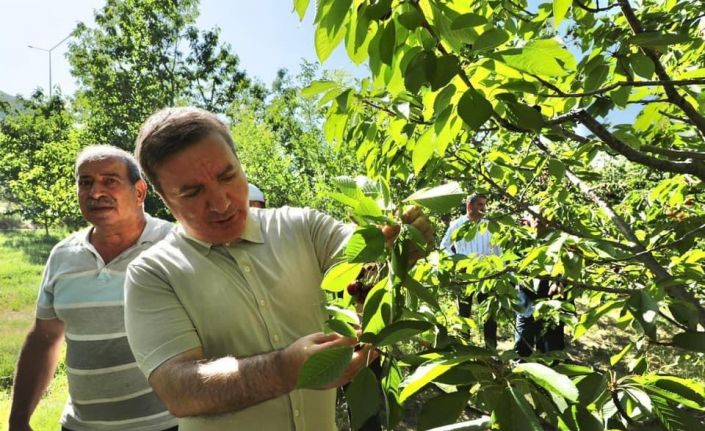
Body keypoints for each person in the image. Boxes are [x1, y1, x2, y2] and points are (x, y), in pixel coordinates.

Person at [124, 106, 434, 431]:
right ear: (163, 197)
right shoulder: (153, 273)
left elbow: (364, 267)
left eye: (227, 176)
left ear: (239, 163)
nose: (221, 203)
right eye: (192, 192)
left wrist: (399, 243)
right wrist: (286, 370)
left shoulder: (303, 228)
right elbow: (179, 390)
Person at [9, 146, 175, 431]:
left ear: (139, 192)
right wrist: (18, 421)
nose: (95, 192)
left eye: (110, 181)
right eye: (85, 182)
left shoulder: (176, 245)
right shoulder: (63, 255)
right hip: (80, 426)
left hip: (167, 424)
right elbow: (44, 340)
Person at [441, 193, 502, 349]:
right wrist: (457, 260)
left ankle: (491, 349)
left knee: (489, 313)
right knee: (464, 313)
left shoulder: (489, 224)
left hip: (487, 274)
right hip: (465, 274)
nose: (484, 208)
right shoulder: (457, 224)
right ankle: (464, 349)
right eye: (480, 205)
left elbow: (497, 248)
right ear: (469, 206)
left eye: (484, 204)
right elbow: (444, 246)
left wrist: (498, 269)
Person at [514, 211, 566, 357]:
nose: (539, 219)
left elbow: (567, 266)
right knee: (522, 347)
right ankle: (520, 377)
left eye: (543, 216)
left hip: (551, 301)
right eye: (534, 215)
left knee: (551, 349)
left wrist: (559, 281)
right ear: (527, 219)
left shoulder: (559, 240)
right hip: (525, 301)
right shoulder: (520, 240)